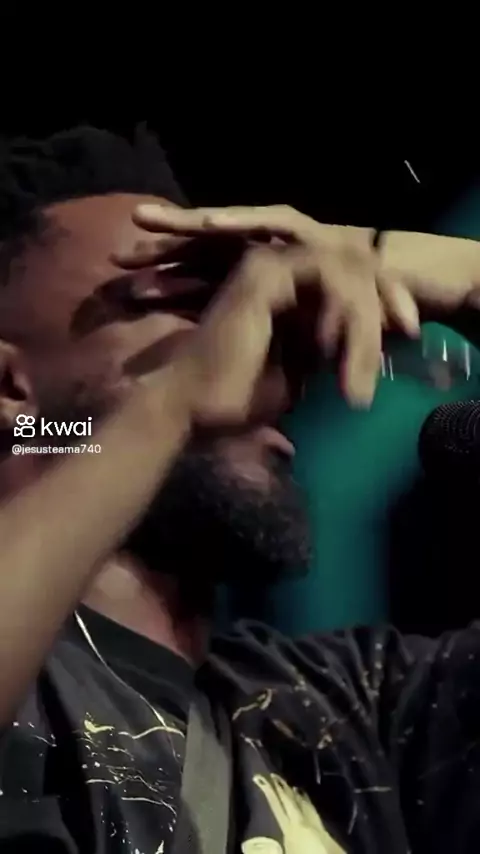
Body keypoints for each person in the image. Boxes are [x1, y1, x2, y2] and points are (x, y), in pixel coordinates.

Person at [0, 127, 479, 854]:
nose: (257, 340)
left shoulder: (355, 713)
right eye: (188, 304)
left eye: (235, 301)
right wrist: (171, 407)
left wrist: (444, 272)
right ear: (10, 388)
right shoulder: (35, 691)